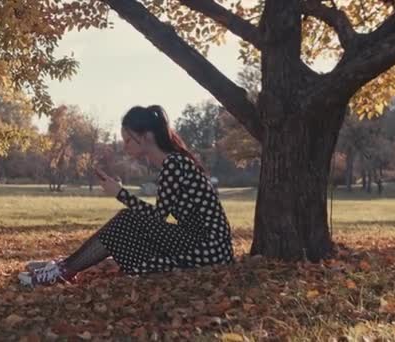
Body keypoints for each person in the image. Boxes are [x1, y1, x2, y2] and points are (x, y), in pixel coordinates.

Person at [19, 105, 234, 287]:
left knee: (127, 219)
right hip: (201, 244)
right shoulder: (173, 163)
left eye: (128, 140)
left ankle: (63, 270)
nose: (125, 146)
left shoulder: (173, 164)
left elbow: (157, 217)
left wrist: (120, 194)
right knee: (127, 225)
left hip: (208, 249)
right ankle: (64, 265)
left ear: (146, 136)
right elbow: (159, 219)